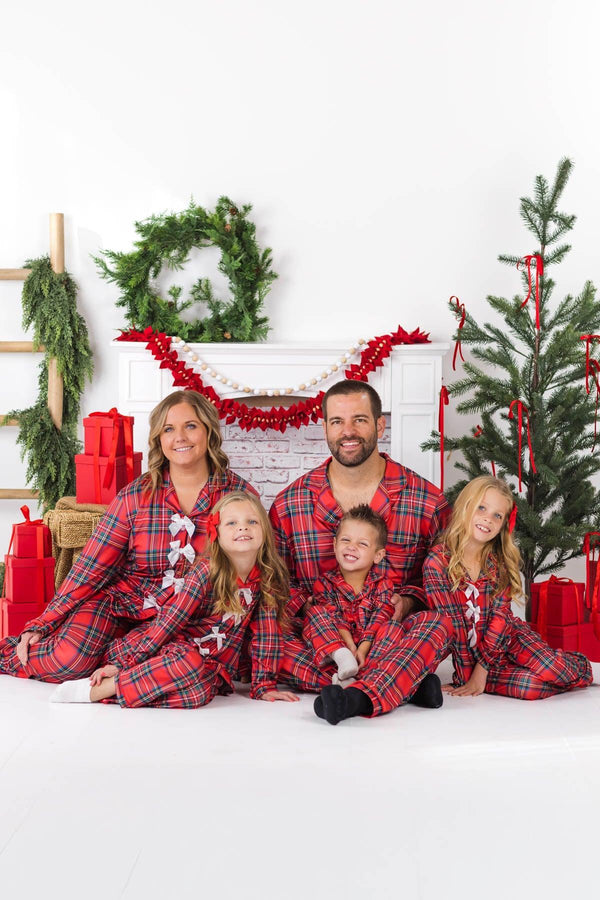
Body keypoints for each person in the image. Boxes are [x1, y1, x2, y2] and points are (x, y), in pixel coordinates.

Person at [0, 390, 255, 684]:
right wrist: (44, 622)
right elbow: (91, 566)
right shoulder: (136, 495)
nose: (180, 437)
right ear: (159, 440)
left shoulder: (239, 497)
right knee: (68, 660)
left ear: (209, 431)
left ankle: (114, 657)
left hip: (188, 620)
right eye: (168, 429)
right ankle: (15, 655)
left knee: (172, 669)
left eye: (191, 425)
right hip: (123, 605)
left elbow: (255, 572)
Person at [269, 379, 454, 720]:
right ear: (324, 427)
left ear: (380, 424)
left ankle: (355, 694)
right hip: (322, 639)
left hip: (391, 637)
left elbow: (442, 583)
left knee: (438, 625)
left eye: (360, 419)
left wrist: (410, 601)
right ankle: (404, 682)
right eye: (337, 421)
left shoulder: (426, 501)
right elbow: (277, 586)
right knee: (266, 639)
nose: (347, 431)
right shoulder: (289, 504)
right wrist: (312, 608)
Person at [50, 491, 298, 707]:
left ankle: (126, 691)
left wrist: (264, 685)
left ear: (264, 531)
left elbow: (268, 634)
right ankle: (101, 689)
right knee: (188, 663)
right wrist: (125, 663)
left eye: (252, 521)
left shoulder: (268, 580)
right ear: (217, 535)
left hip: (209, 667)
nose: (243, 527)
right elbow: (167, 623)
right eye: (232, 523)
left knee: (201, 693)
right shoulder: (205, 573)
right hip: (166, 651)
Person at [423, 475, 593, 699]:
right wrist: (468, 677)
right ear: (466, 506)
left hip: (508, 639)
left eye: (497, 515)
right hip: (475, 660)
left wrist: (481, 670)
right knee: (530, 688)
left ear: (503, 524)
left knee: (551, 668)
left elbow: (501, 618)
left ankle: (579, 666)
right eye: (481, 508)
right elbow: (452, 626)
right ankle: (553, 675)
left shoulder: (497, 561)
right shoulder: (437, 563)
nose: (488, 519)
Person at [295, 503, 451, 724]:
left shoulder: (383, 585)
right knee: (312, 616)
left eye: (362, 544)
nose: (351, 547)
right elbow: (332, 618)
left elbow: (380, 619)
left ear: (378, 555)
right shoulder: (324, 583)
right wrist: (348, 649)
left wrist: (363, 649)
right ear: (335, 544)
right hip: (335, 655)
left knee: (401, 627)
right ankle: (408, 684)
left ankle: (354, 691)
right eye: (346, 540)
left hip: (376, 653)